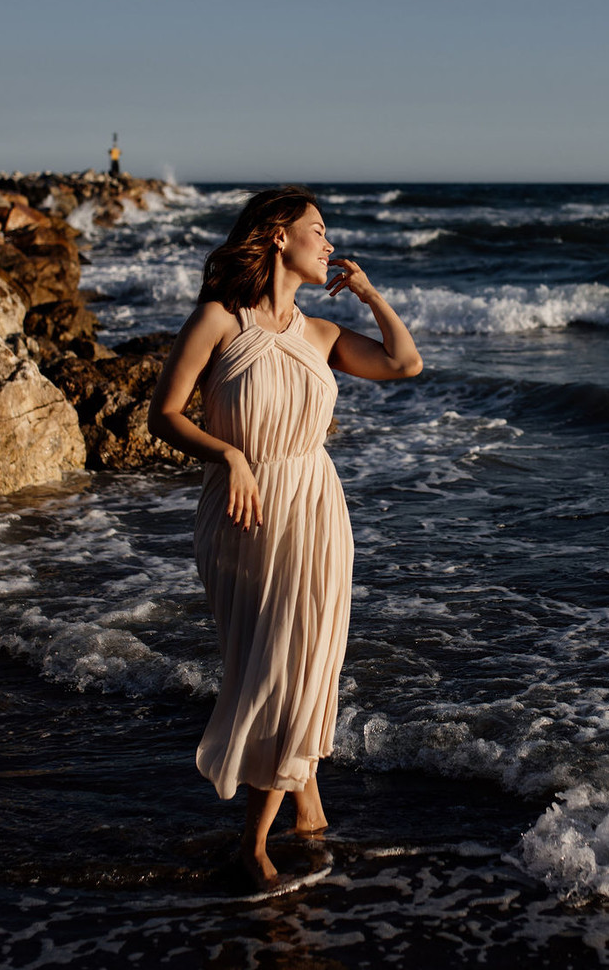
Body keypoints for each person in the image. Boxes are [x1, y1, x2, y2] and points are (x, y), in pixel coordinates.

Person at [147, 185, 423, 885]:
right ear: (276, 235)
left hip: (316, 508)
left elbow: (404, 363)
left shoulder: (321, 336)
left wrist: (370, 295)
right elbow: (166, 415)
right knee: (272, 663)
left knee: (306, 660)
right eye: (317, 229)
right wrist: (229, 454)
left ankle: (282, 823)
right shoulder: (219, 321)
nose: (328, 244)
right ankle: (279, 823)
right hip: (243, 512)